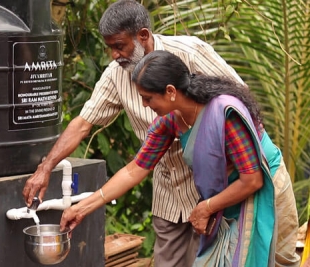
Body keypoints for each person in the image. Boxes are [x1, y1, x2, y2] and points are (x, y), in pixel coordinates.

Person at [22, 0, 243, 265]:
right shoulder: (121, 79)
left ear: (143, 36)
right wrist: (46, 169)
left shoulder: (190, 52)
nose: (114, 55)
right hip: (170, 192)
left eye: (119, 45)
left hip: (216, 189)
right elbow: (90, 129)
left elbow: (238, 104)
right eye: (110, 48)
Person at [59, 50, 300, 266]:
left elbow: (252, 180)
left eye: (148, 97)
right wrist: (82, 208)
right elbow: (135, 170)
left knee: (277, 260)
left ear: (171, 91)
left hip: (267, 191)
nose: (144, 104)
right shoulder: (170, 121)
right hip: (229, 202)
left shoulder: (225, 113)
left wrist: (206, 207)